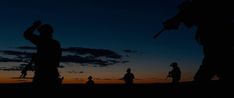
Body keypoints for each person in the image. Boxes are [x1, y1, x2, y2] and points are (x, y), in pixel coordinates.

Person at [160, 0, 234, 83]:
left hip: (217, 52)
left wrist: (176, 20)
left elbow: (185, 15)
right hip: (216, 52)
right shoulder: (208, 14)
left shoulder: (210, 15)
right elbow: (183, 16)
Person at [24, 20, 62, 89]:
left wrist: (34, 26)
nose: (39, 34)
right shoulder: (55, 43)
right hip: (50, 73)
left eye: (41, 32)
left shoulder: (43, 41)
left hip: (44, 73)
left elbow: (27, 34)